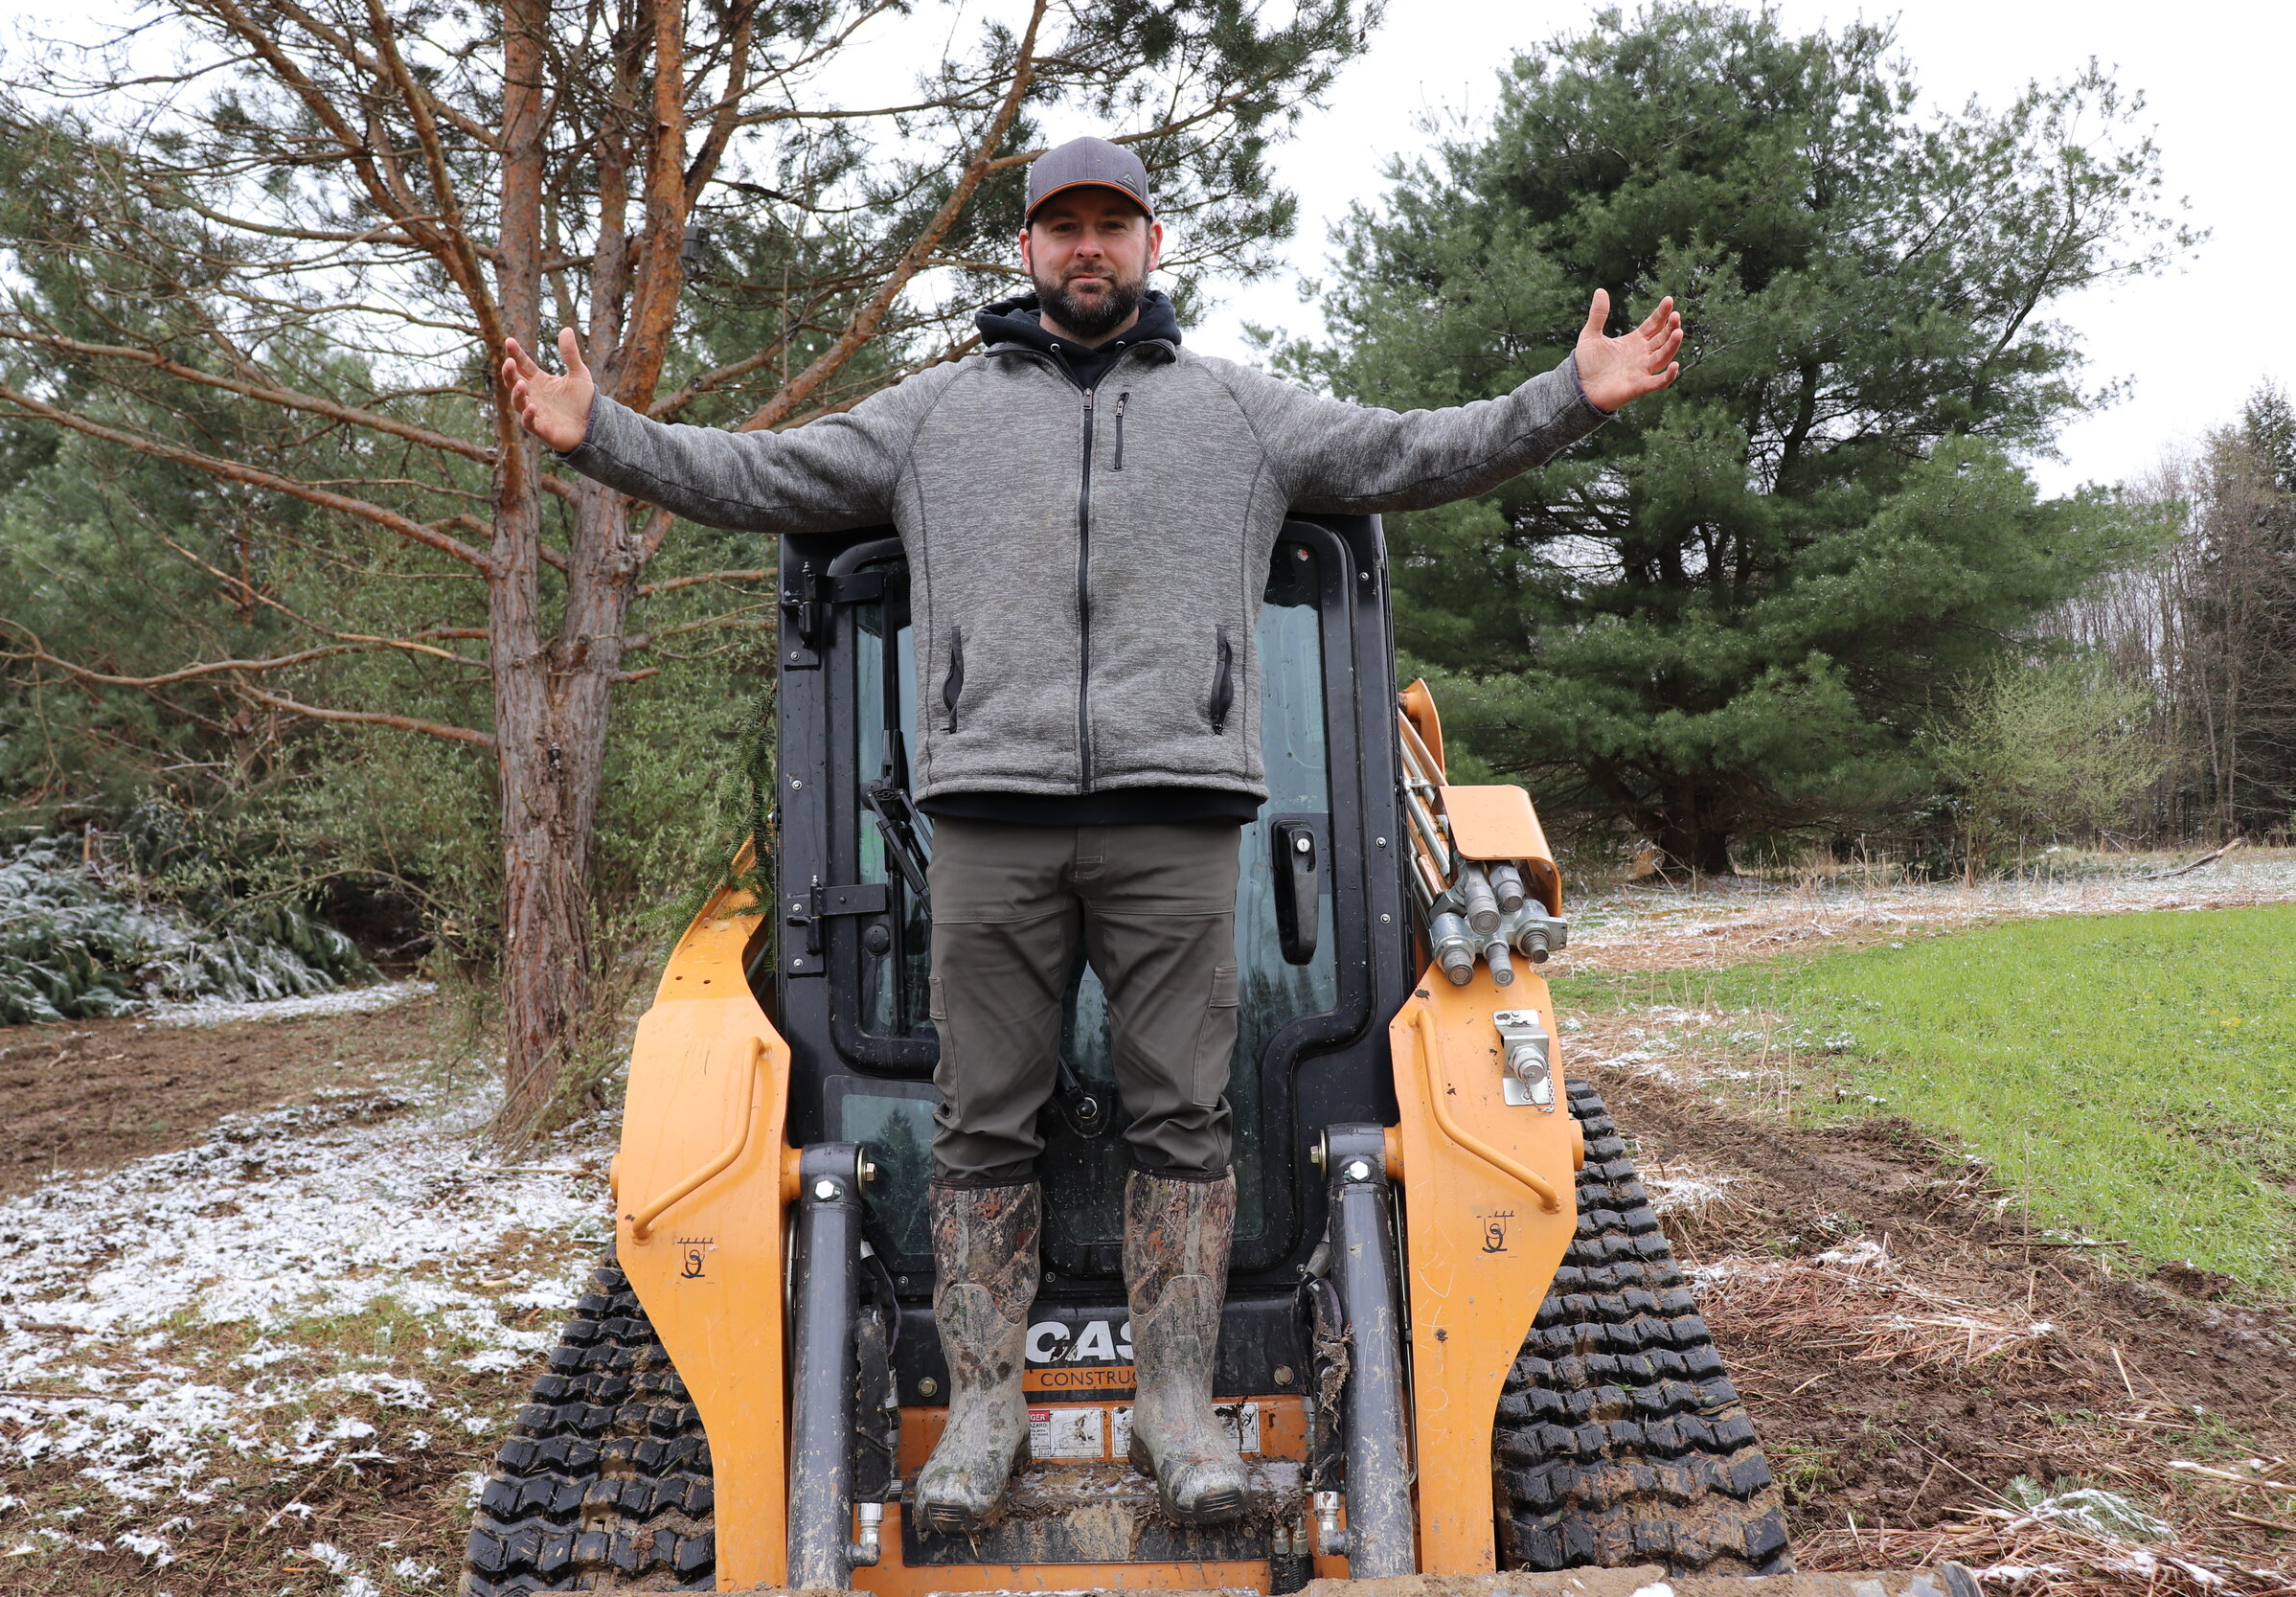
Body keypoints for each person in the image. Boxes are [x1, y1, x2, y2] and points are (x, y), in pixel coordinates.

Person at [501, 134, 1681, 1536]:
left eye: (1111, 226)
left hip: (1176, 824)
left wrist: (1573, 398)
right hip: (987, 824)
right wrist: (603, 438)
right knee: (979, 1122)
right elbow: (761, 478)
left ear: (1151, 246)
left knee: (1184, 1120)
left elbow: (1412, 451)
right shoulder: (932, 418)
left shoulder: (1240, 415)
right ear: (1026, 252)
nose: (1087, 249)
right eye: (1063, 226)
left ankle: (1179, 1413)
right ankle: (985, 1407)